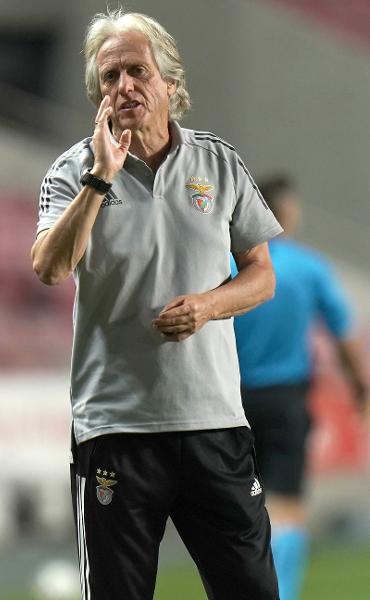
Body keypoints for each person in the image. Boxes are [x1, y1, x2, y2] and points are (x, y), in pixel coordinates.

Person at [31, 9, 283, 600]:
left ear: (169, 81)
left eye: (136, 71)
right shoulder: (72, 173)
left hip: (214, 423)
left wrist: (207, 306)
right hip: (116, 430)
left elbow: (261, 277)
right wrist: (100, 177)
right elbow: (49, 268)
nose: (123, 86)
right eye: (109, 77)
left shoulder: (218, 164)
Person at [233, 175, 369, 600]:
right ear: (284, 214)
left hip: (230, 401)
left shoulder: (231, 266)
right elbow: (343, 333)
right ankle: (281, 592)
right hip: (286, 399)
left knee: (240, 504)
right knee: (286, 501)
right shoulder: (309, 268)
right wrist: (360, 388)